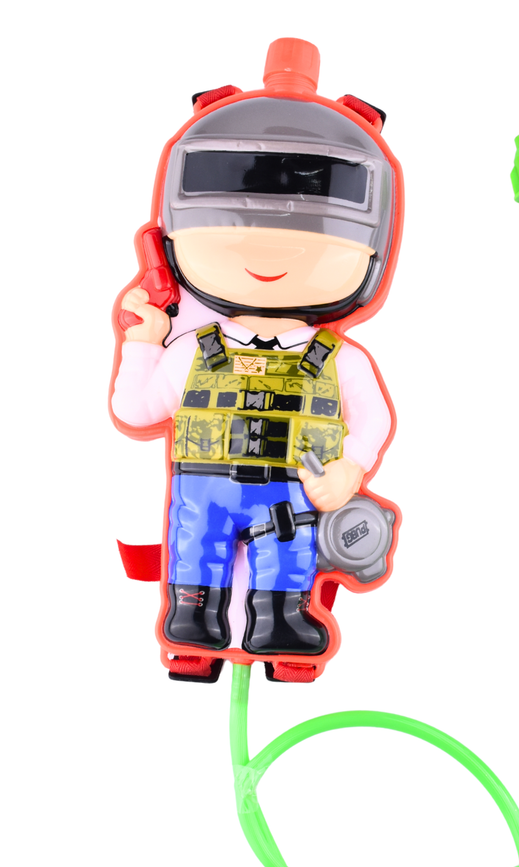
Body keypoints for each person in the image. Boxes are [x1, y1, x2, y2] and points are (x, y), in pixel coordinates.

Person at [111, 40, 397, 661]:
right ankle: (193, 616)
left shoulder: (339, 360)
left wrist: (351, 466)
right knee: (196, 550)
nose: (270, 256)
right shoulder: (191, 350)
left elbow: (372, 419)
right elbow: (135, 410)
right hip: (204, 486)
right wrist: (143, 341)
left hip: (290, 490)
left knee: (287, 556)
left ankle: (281, 619)